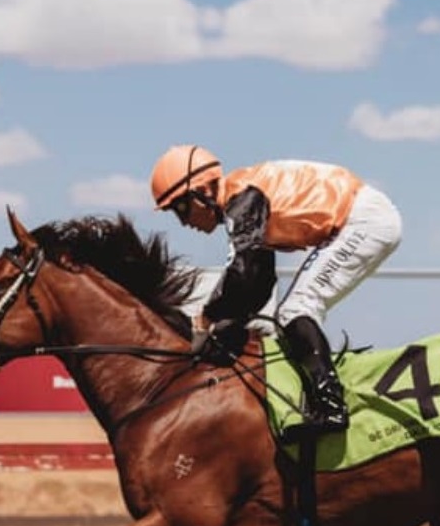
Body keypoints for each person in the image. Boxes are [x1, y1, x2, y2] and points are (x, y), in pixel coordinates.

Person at [150, 144, 402, 436]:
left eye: (181, 208)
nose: (184, 222)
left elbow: (242, 272)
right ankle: (317, 399)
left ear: (202, 192)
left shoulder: (243, 201)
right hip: (360, 218)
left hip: (363, 221)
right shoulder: (244, 202)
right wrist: (229, 324)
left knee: (297, 308)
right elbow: (259, 283)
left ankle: (332, 408)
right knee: (291, 313)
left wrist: (206, 319)